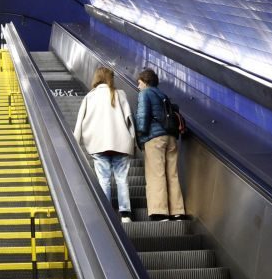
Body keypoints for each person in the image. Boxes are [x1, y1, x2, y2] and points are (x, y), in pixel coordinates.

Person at [73, 66, 136, 221]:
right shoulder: (120, 94)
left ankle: (107, 213)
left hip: (98, 145)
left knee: (104, 179)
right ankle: (125, 214)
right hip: (121, 144)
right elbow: (130, 120)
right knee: (122, 179)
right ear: (111, 78)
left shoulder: (90, 96)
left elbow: (79, 122)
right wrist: (133, 141)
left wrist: (75, 142)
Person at [135, 68, 187, 221]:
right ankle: (177, 211)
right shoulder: (163, 95)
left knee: (156, 173)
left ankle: (160, 212)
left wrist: (140, 135)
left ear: (145, 82)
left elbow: (142, 116)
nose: (138, 87)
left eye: (139, 83)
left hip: (154, 138)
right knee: (172, 174)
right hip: (171, 137)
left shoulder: (145, 94)